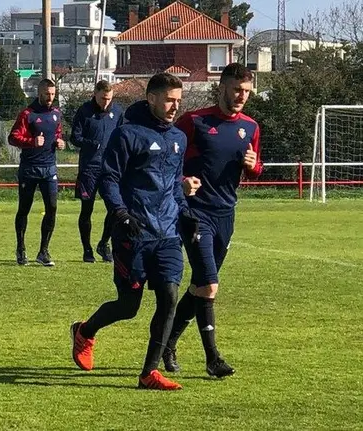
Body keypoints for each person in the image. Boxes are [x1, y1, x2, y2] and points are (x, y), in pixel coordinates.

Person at [70, 73, 198, 390]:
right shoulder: (127, 135)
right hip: (133, 233)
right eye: (169, 99)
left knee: (169, 297)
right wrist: (121, 213)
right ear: (151, 97)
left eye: (178, 101)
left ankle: (148, 373)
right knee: (129, 307)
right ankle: (85, 331)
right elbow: (109, 179)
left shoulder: (178, 139)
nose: (174, 106)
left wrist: (185, 213)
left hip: (167, 234)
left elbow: (174, 186)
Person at [162, 63, 263, 378]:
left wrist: (254, 165)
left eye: (246, 91)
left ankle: (167, 343)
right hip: (195, 213)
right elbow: (168, 157)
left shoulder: (251, 127)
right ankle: (213, 358)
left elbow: (255, 171)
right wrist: (181, 181)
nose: (241, 96)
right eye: (236, 89)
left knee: (200, 286)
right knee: (209, 283)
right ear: (222, 87)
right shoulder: (195, 121)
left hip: (226, 215)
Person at [8, 79, 66, 266]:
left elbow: (57, 133)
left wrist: (60, 142)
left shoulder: (56, 114)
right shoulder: (28, 114)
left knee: (52, 208)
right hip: (30, 169)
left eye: (52, 94)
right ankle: (21, 248)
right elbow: (13, 137)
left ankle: (43, 251)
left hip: (49, 169)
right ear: (39, 93)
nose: (50, 97)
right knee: (24, 209)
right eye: (46, 94)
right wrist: (32, 141)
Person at [70, 80, 123, 263]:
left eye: (109, 99)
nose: (106, 102)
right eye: (102, 98)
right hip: (89, 169)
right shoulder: (84, 111)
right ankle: (87, 249)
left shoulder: (117, 112)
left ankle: (103, 243)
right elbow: (74, 137)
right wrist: (92, 144)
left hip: (110, 169)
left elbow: (124, 135)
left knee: (116, 208)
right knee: (87, 209)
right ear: (95, 94)